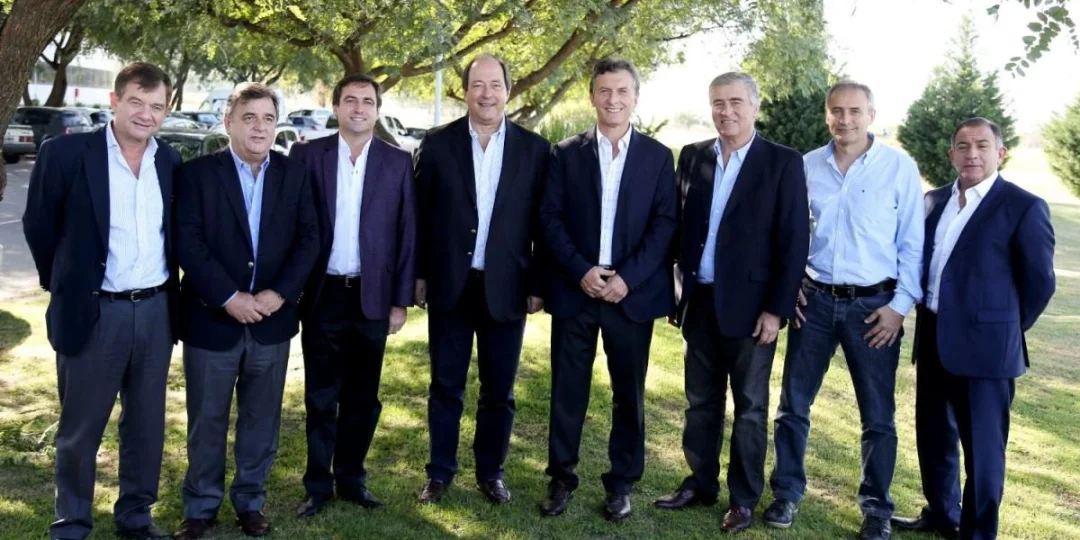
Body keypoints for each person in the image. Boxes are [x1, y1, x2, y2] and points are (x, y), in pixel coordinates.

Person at [23, 62, 181, 540]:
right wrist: (64, 284)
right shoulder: (66, 153)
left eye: (157, 106)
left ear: (166, 111)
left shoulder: (169, 161)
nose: (146, 114)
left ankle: (136, 516)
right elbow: (39, 226)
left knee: (146, 426)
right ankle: (72, 522)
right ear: (115, 101)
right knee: (80, 430)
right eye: (137, 101)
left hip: (154, 311)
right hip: (93, 312)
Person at [765, 81, 924, 540]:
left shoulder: (898, 167)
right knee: (793, 405)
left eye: (855, 111)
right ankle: (786, 493)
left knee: (878, 416)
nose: (845, 119)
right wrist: (792, 286)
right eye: (837, 111)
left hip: (875, 309)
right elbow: (791, 233)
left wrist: (899, 307)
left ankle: (877, 509)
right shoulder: (807, 165)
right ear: (827, 114)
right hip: (813, 302)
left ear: (871, 114)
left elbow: (913, 243)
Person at [654, 72, 809, 533]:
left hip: (753, 310)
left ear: (755, 106)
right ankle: (700, 483)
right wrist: (676, 293)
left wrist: (777, 309)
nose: (726, 111)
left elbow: (794, 241)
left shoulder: (782, 162)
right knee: (700, 402)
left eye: (736, 102)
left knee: (750, 408)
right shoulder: (693, 156)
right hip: (699, 302)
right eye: (718, 102)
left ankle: (743, 499)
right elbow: (680, 229)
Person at [891, 117, 1055, 540]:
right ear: (951, 155)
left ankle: (978, 532)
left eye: (982, 145)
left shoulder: (1023, 206)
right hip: (933, 337)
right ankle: (942, 513)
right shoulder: (932, 201)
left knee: (983, 451)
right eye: (962, 146)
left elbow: (1039, 283)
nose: (972, 154)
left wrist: (1004, 329)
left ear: (1000, 153)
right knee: (933, 437)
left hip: (988, 349)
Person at [172, 82, 319, 539]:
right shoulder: (197, 174)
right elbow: (188, 242)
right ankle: (201, 507)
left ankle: (250, 502)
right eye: (249, 118)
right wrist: (229, 297)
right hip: (211, 319)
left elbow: (310, 239)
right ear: (228, 122)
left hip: (271, 322)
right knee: (207, 421)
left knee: (261, 421)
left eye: (268, 119)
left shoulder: (295, 174)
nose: (259, 127)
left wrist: (281, 294)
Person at [538, 57, 676, 521]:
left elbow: (664, 224)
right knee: (567, 390)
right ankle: (561, 478)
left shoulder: (658, 157)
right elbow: (549, 218)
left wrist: (627, 278)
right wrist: (581, 270)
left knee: (628, 394)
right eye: (604, 91)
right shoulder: (564, 153)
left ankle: (621, 484)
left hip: (629, 296)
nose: (613, 100)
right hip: (576, 290)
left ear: (635, 97)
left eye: (622, 91)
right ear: (592, 96)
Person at [413, 53, 550, 504]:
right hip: (450, 284)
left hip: (507, 287)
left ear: (508, 90)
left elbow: (543, 223)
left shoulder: (535, 150)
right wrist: (418, 275)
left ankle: (491, 472)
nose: (486, 94)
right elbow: (419, 217)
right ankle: (439, 473)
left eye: (495, 85)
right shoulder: (437, 144)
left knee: (499, 391)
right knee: (445, 386)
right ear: (465, 91)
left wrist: (538, 285)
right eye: (478, 85)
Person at [289, 73, 417, 517]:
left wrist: (400, 300)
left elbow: (407, 233)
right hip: (322, 293)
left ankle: (352, 479)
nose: (359, 108)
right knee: (321, 395)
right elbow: (294, 224)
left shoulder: (398, 161)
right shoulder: (308, 155)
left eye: (367, 101)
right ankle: (317, 485)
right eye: (350, 100)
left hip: (373, 296)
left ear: (377, 110)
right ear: (337, 107)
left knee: (363, 397)